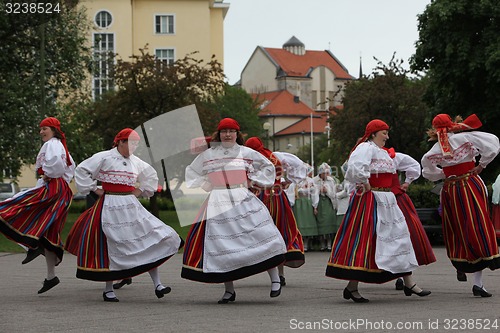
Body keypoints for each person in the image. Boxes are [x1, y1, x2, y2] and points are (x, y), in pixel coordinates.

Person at [65, 128, 182, 302]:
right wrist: (94, 188)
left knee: (147, 239)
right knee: (112, 243)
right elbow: (82, 169)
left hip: (130, 205)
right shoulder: (104, 157)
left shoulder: (136, 161)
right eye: (131, 143)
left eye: (136, 144)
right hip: (109, 205)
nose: (134, 147)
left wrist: (139, 190)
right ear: (120, 142)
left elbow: (150, 176)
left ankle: (158, 284)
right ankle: (108, 289)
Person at [182, 118, 286, 304]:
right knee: (223, 244)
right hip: (218, 199)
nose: (228, 134)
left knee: (261, 235)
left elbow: (268, 167)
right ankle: (229, 290)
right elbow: (192, 171)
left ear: (238, 134)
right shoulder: (209, 154)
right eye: (224, 131)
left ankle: (275, 280)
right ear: (218, 134)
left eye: (231, 131)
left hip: (242, 198)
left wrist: (254, 180)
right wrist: (205, 183)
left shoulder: (246, 152)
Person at [326, 119, 429, 303]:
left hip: (387, 201)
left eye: (387, 133)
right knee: (366, 240)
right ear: (373, 133)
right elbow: (355, 167)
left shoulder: (385, 154)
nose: (387, 137)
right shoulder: (366, 148)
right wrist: (366, 182)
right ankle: (352, 287)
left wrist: (405, 183)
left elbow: (408, 166)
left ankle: (408, 282)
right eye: (384, 133)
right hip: (371, 200)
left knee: (399, 238)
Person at [421, 114, 500, 297]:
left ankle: (462, 263)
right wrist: (482, 165)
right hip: (470, 183)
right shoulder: (465, 137)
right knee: (477, 225)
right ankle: (478, 282)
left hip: (451, 189)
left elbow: (428, 171)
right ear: (452, 124)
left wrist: (444, 174)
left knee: (457, 228)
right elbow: (493, 144)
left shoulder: (435, 149)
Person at [0, 117, 75, 294]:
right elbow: (70, 168)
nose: (41, 132)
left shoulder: (53, 145)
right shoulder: (59, 145)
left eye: (45, 128)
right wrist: (52, 176)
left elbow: (56, 165)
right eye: (40, 129)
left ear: (54, 130)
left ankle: (31, 245)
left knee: (14, 207)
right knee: (48, 234)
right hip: (59, 189)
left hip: (53, 189)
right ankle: (50, 276)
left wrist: (49, 175)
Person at [245, 137, 306, 286]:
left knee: (260, 233)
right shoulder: (276, 156)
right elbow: (298, 165)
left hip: (257, 197)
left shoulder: (247, 160)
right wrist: (289, 181)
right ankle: (280, 273)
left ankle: (261, 268)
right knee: (280, 231)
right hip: (278, 197)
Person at [386, 149, 437, 290]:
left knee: (406, 234)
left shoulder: (392, 157)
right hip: (382, 201)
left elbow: (413, 165)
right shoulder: (367, 159)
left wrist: (407, 182)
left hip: (397, 199)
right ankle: (401, 278)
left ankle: (402, 278)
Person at [313, 162, 339, 251]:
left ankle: (329, 243)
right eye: (323, 173)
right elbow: (313, 193)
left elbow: (333, 194)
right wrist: (315, 206)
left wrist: (326, 191)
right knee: (321, 223)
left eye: (326, 173)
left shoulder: (331, 181)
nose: (325, 175)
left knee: (329, 223)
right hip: (320, 203)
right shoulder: (315, 180)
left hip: (328, 202)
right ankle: (322, 244)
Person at [293, 165, 318, 251]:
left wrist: (315, 206)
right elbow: (293, 191)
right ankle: (301, 243)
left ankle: (307, 243)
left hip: (307, 203)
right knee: (299, 223)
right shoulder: (297, 180)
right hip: (298, 203)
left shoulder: (310, 181)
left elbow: (314, 193)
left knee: (308, 222)